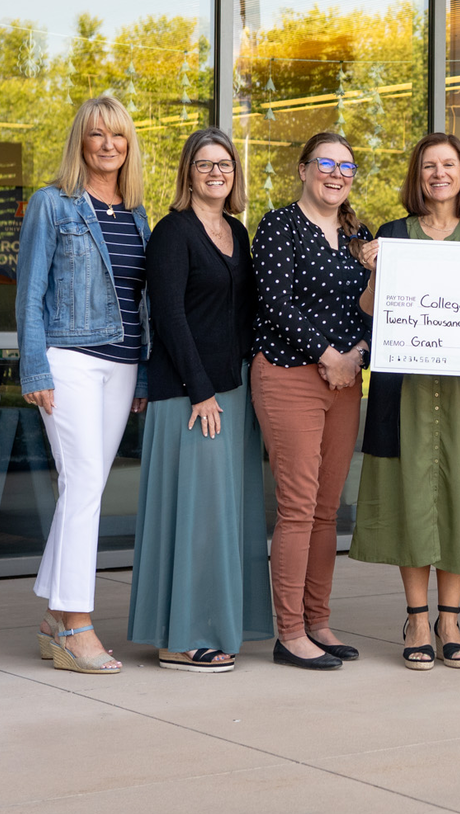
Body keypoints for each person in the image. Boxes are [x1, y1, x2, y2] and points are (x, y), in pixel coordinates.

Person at [351, 133, 460, 670]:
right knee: (411, 499)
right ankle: (417, 617)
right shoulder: (393, 235)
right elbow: (370, 311)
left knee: (459, 498)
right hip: (408, 391)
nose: (439, 174)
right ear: (417, 176)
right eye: (428, 166)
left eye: (448, 165)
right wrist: (374, 270)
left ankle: (451, 618)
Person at [127, 128, 273, 671]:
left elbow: (242, 314)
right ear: (188, 171)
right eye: (205, 164)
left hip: (232, 390)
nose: (217, 172)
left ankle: (216, 623)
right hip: (192, 396)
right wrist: (201, 390)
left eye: (225, 164)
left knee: (225, 516)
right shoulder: (173, 232)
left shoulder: (236, 229)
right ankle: (180, 637)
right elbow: (168, 317)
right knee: (195, 517)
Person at [16, 94, 150, 675]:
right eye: (97, 134)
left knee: (81, 486)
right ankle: (76, 625)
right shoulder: (53, 204)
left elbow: (141, 301)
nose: (108, 144)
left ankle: (53, 616)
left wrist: (143, 368)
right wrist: (35, 368)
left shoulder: (139, 213)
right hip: (68, 357)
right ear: (81, 141)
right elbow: (30, 294)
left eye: (117, 135)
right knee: (89, 481)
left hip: (120, 364)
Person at [250, 131, 372, 670]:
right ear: (304, 169)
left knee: (327, 510)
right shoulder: (279, 225)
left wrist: (357, 352)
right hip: (289, 374)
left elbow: (374, 310)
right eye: (326, 163)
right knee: (298, 508)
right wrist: (329, 355)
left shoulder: (360, 235)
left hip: (346, 382)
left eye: (346, 167)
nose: (336, 174)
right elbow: (274, 304)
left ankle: (318, 621)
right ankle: (290, 633)